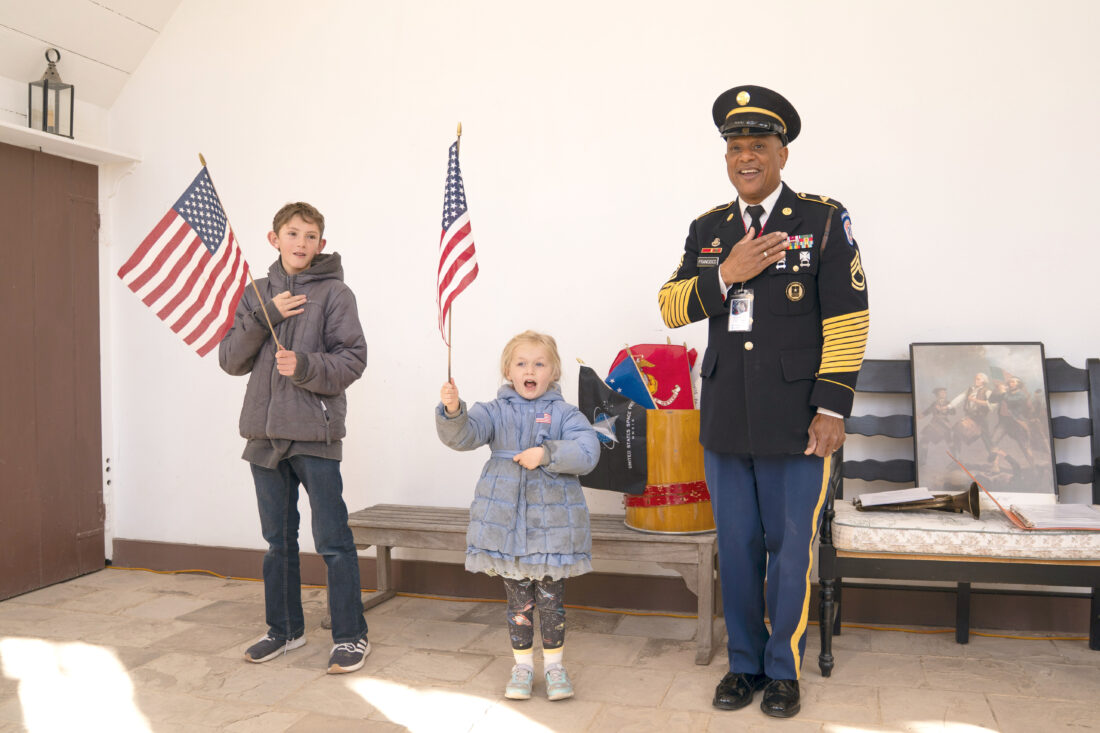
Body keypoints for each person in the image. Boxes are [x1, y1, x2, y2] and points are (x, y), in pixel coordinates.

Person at [658, 85, 870, 718]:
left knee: (789, 550)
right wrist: (727, 273)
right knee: (739, 548)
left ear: (782, 154)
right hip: (727, 416)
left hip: (797, 420)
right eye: (735, 148)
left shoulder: (822, 220)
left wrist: (831, 409)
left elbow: (849, 319)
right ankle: (744, 664)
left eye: (758, 145)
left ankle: (782, 670)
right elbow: (670, 307)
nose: (745, 157)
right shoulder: (709, 229)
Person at [219, 201, 370, 674]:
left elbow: (353, 360)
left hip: (313, 435)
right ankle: (284, 630)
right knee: (277, 542)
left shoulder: (336, 294)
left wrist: (303, 366)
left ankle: (350, 636)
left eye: (310, 236)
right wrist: (266, 315)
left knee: (333, 541)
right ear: (274, 239)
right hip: (264, 436)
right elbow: (230, 359)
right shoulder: (256, 293)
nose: (301, 243)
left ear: (321, 244)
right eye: (292, 233)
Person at [436, 331, 599, 701]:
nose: (530, 370)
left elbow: (588, 452)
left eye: (539, 364)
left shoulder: (565, 414)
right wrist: (453, 411)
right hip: (505, 524)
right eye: (521, 363)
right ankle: (523, 667)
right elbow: (464, 436)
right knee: (518, 603)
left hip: (553, 529)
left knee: (551, 602)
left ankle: (554, 667)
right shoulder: (494, 411)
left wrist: (547, 454)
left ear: (553, 371)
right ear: (508, 371)